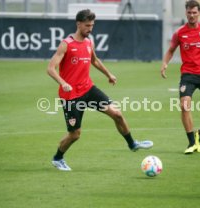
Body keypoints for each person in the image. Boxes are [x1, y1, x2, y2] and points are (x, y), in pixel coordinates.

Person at [47, 9, 153, 171]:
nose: (90, 29)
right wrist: (62, 82)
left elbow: (94, 60)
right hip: (71, 97)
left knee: (117, 114)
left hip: (88, 90)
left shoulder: (89, 43)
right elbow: (51, 69)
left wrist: (108, 74)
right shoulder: (66, 44)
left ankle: (132, 144)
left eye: (92, 25)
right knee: (75, 134)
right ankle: (58, 158)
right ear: (78, 24)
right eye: (87, 25)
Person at [160, 0, 200, 154]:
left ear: (199, 13)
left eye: (194, 12)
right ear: (186, 13)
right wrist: (165, 63)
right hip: (188, 75)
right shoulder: (179, 32)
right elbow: (171, 50)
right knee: (184, 105)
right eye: (189, 12)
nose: (192, 15)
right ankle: (191, 142)